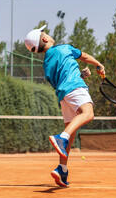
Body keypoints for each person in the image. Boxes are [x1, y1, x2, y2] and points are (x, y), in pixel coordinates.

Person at [24, 25, 105, 187]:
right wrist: (99, 65)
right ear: (45, 39)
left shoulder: (46, 64)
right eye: (44, 33)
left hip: (64, 96)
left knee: (72, 133)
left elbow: (63, 79)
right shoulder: (64, 48)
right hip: (75, 89)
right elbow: (84, 56)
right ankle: (61, 138)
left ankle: (62, 169)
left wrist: (81, 75)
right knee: (88, 114)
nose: (47, 33)